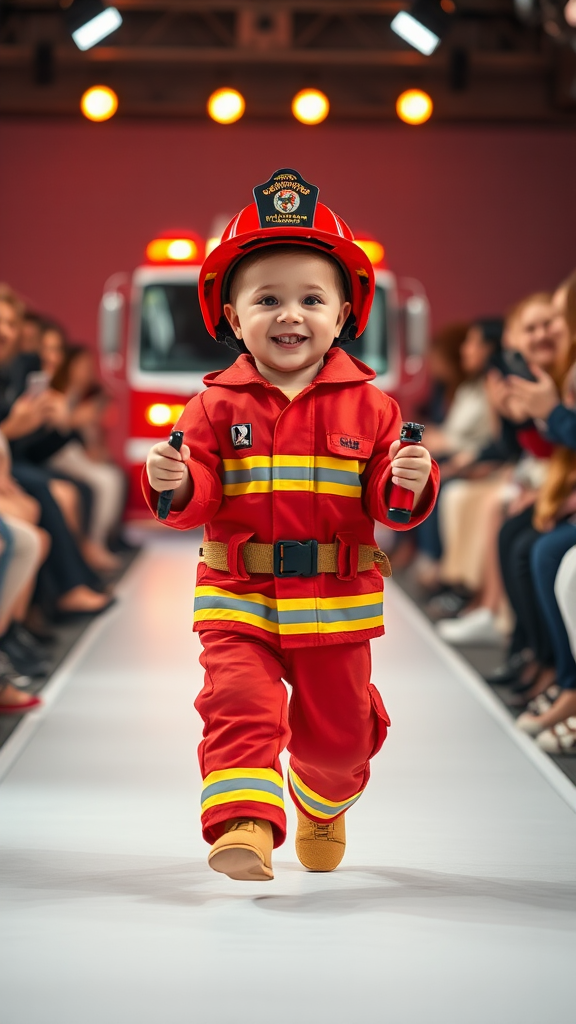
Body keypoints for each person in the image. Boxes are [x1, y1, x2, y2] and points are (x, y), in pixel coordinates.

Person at [144, 169, 439, 882]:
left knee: (339, 741)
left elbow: (386, 499)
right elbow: (199, 494)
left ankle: (322, 802)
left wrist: (408, 483)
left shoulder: (374, 409)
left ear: (342, 315)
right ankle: (244, 826)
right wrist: (178, 484)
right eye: (267, 299)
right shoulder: (209, 407)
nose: (290, 314)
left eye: (312, 298)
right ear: (233, 317)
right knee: (238, 703)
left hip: (337, 604)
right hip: (236, 595)